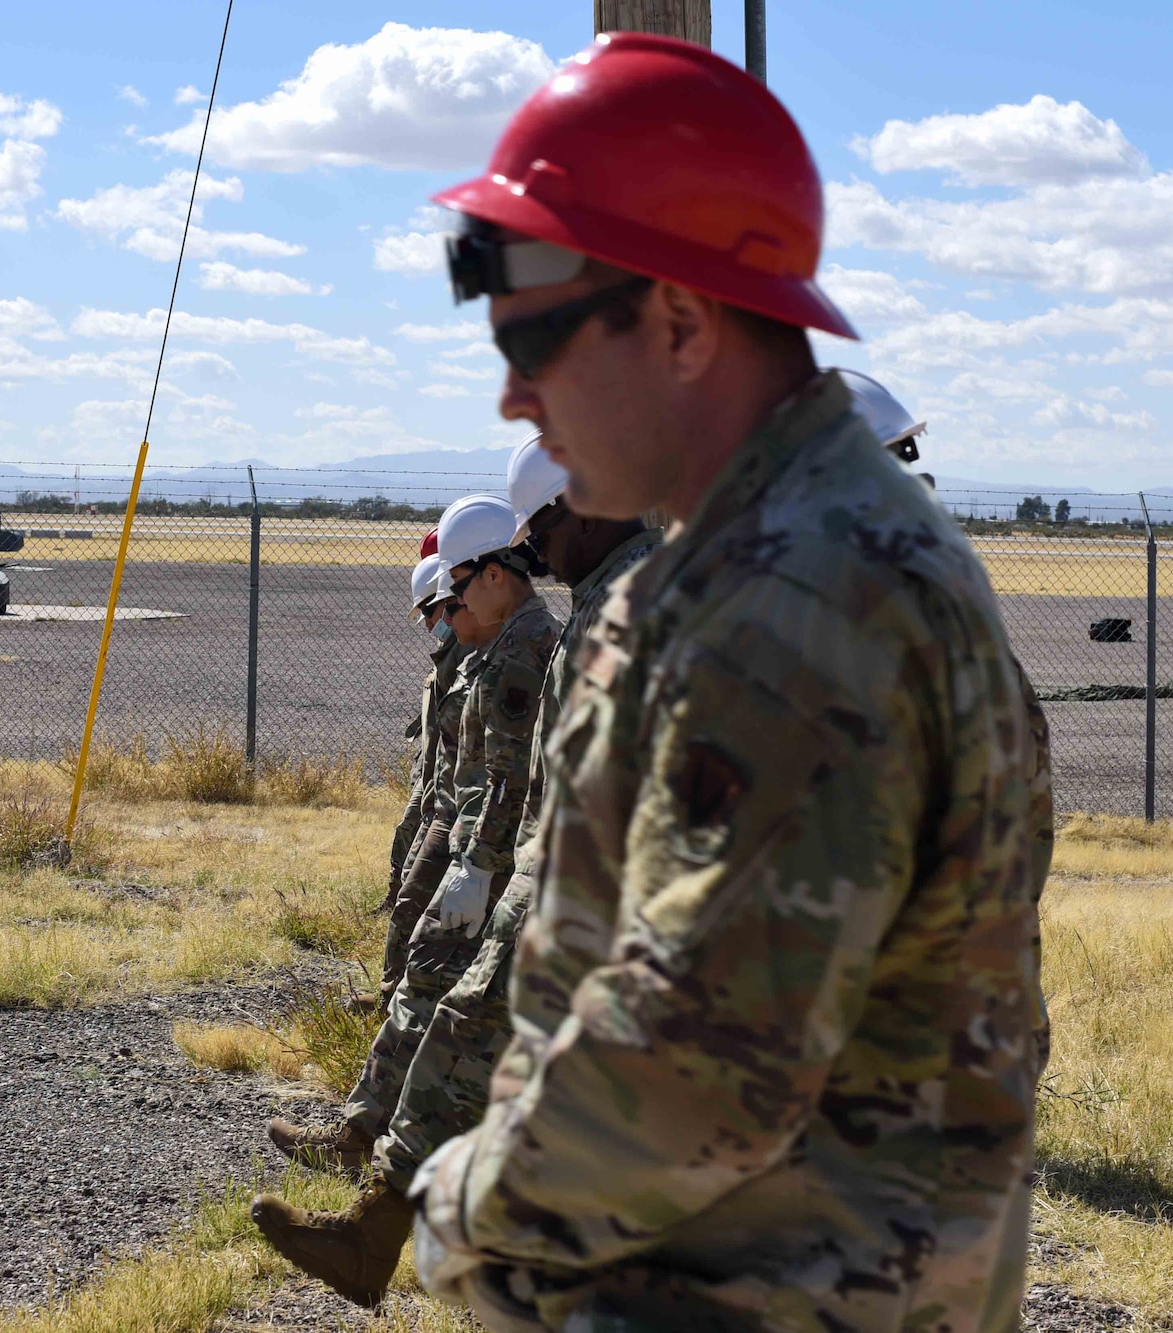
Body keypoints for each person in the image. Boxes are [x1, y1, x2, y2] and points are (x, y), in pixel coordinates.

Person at [403, 32, 1051, 1333]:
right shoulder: (732, 562)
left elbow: (696, 1065)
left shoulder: (806, 600)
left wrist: (465, 1206)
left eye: (538, 333)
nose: (512, 396)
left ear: (685, 322)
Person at [252, 437, 660, 1307]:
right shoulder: (615, 595)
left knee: (477, 1034)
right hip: (578, 881)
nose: (537, 550)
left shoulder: (636, 603)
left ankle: (394, 1234)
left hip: (591, 884)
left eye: (543, 526)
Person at [266, 495, 560, 1179]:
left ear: (494, 574)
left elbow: (510, 778)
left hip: (500, 862)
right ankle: (375, 1138)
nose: (451, 610)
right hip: (489, 857)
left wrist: (479, 865)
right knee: (437, 996)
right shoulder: (511, 643)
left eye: (455, 588)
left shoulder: (522, 649)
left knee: (431, 989)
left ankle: (367, 1142)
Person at [381, 545, 464, 920]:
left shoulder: (466, 656)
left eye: (430, 612)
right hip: (433, 778)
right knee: (409, 833)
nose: (429, 624)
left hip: (446, 788)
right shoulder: (452, 655)